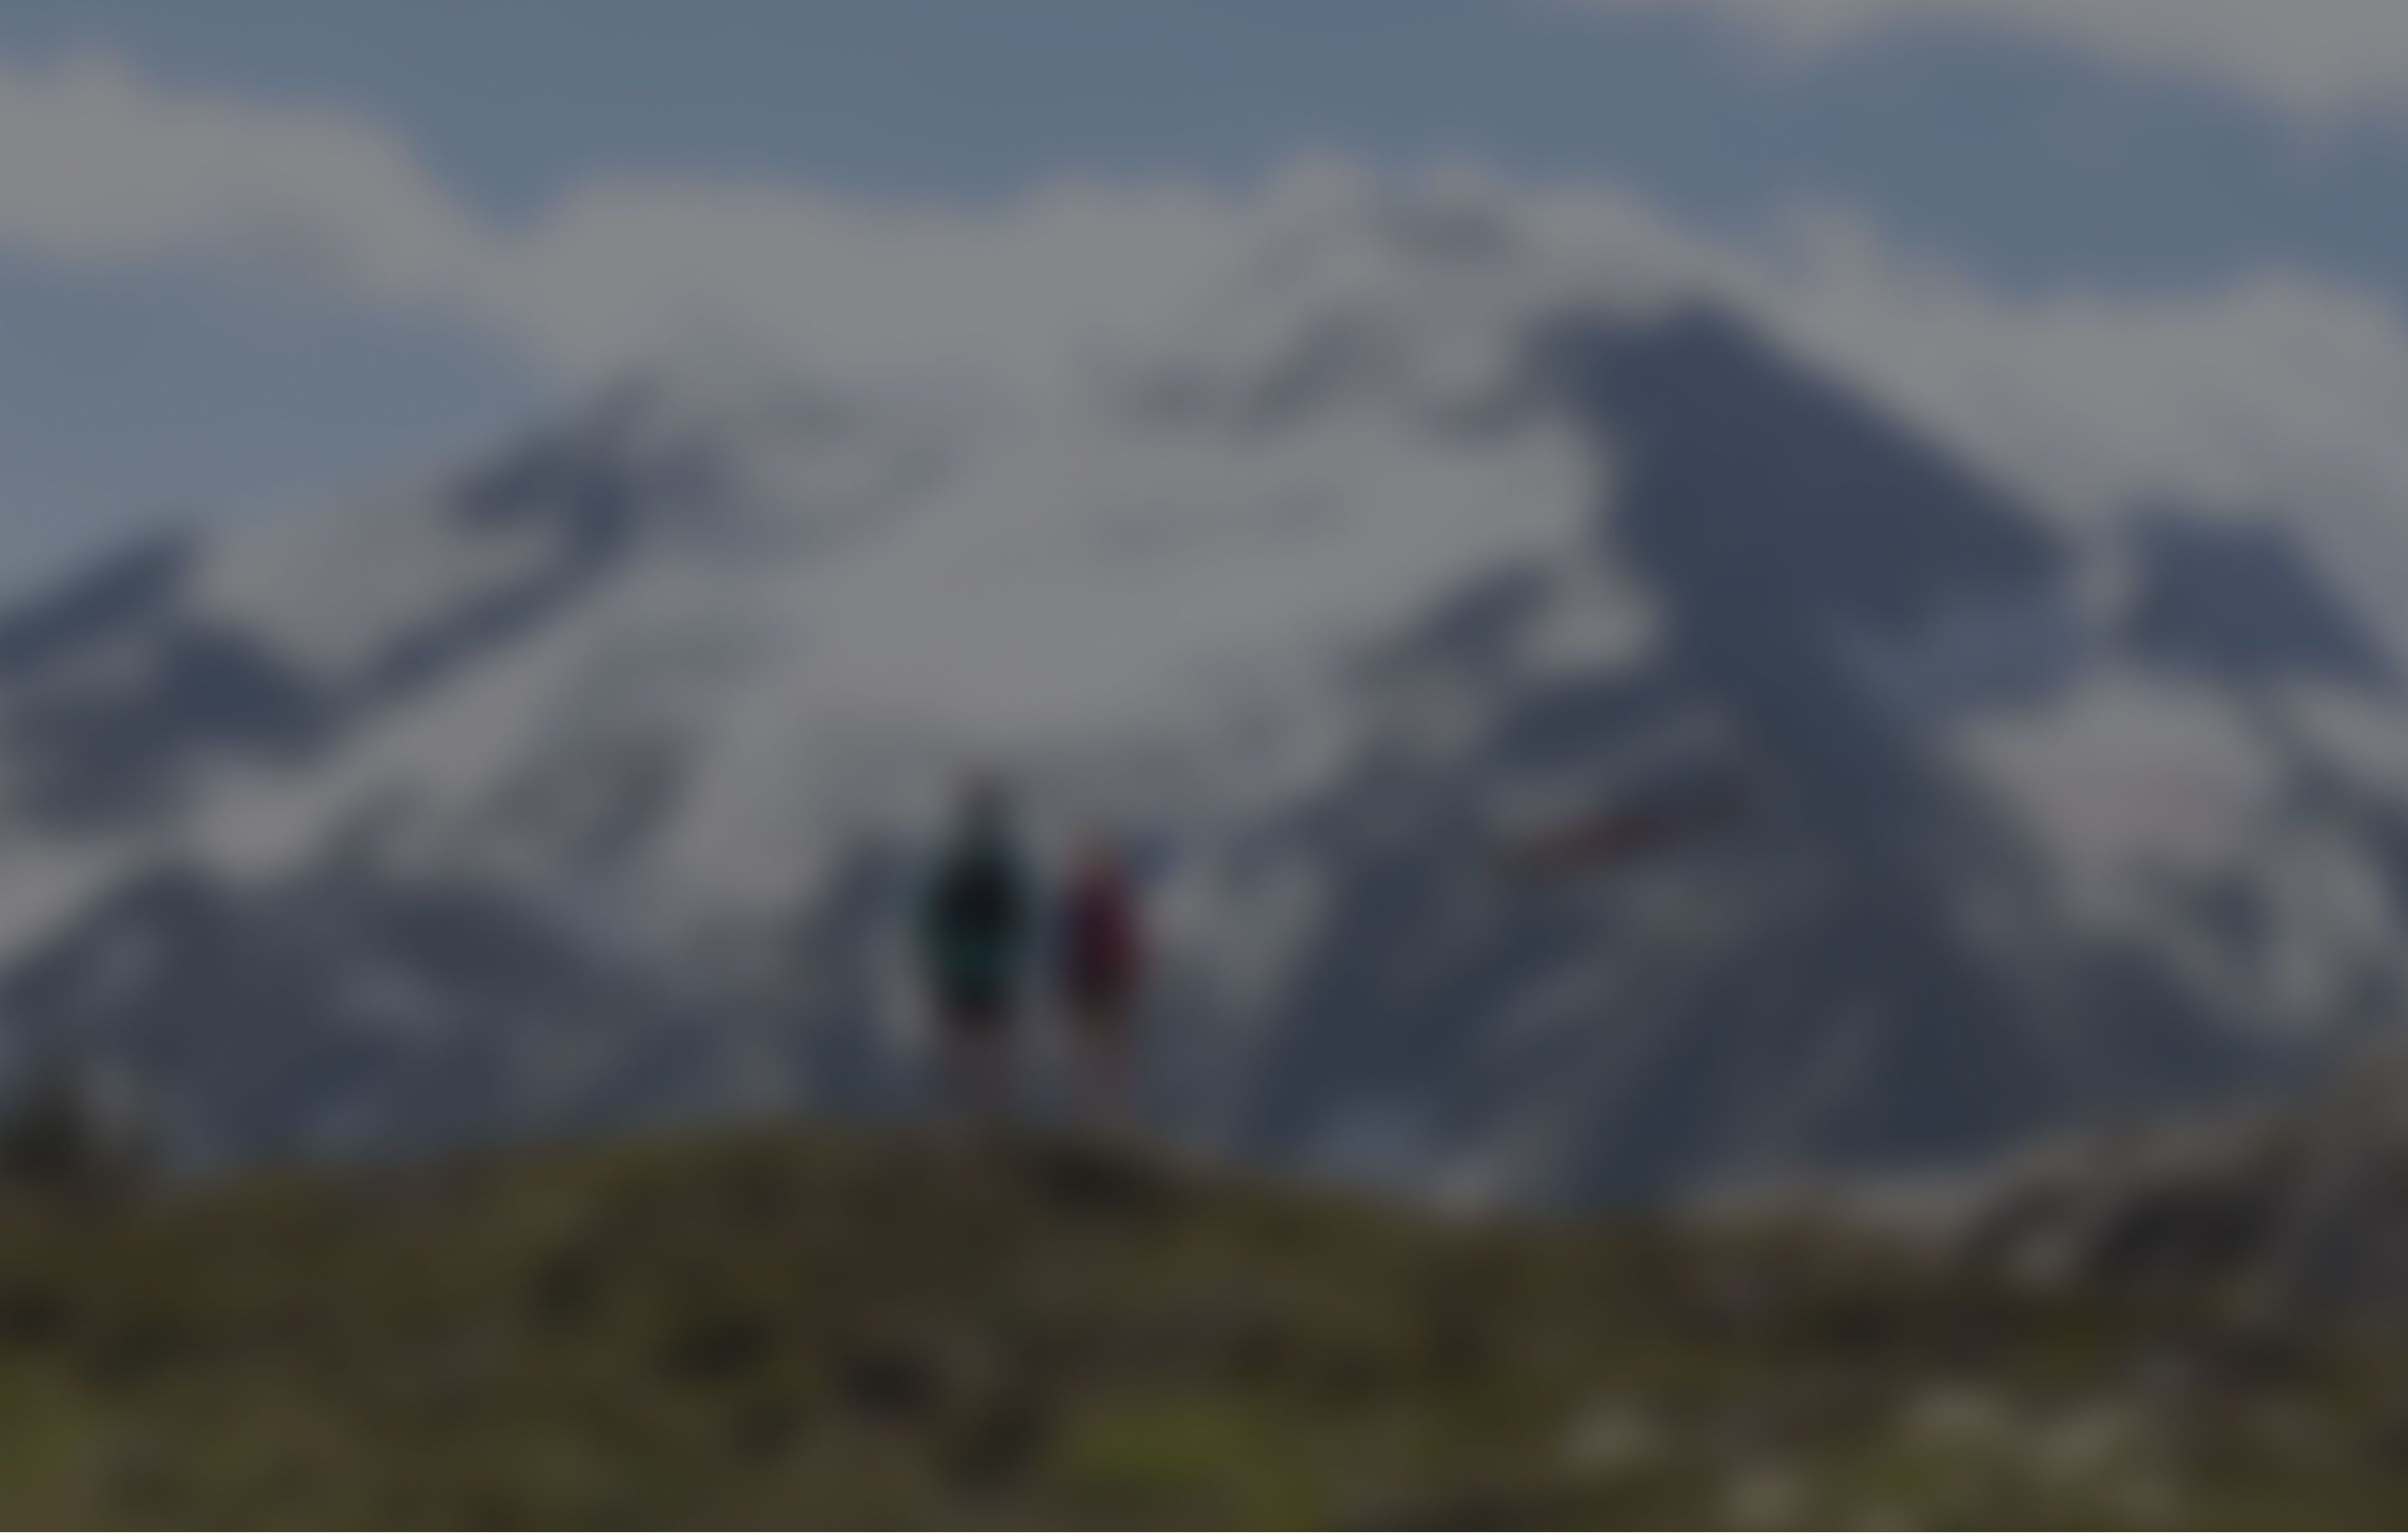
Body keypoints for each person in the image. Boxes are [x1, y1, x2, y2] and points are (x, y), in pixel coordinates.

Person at [917, 778, 1034, 1118]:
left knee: (963, 1041)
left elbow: (937, 913)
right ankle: (988, 1106)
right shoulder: (1001, 861)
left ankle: (965, 1106)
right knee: (990, 1042)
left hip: (959, 962)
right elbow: (1017, 916)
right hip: (991, 963)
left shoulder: (957, 860)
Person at [1056, 833, 1146, 1129]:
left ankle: (1103, 1117)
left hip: (1098, 983)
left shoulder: (1091, 903)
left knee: (1100, 1054)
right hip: (1101, 983)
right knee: (1102, 1054)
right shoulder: (1105, 902)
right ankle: (1103, 1117)